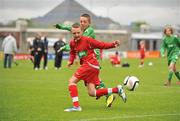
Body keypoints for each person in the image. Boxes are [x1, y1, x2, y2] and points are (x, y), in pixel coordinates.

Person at [55, 13, 115, 107]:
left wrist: (65, 47)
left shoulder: (88, 31)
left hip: (92, 57)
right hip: (85, 59)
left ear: (89, 23)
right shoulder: (80, 30)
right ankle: (109, 92)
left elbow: (78, 40)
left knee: (83, 80)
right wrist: (62, 27)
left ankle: (108, 94)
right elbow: (73, 30)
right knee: (92, 84)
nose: (82, 23)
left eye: (84, 22)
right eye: (81, 21)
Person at [64, 23, 126, 112]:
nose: (76, 35)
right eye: (74, 33)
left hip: (89, 64)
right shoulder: (72, 43)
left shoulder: (87, 40)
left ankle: (76, 106)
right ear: (72, 33)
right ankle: (117, 89)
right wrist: (71, 60)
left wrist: (113, 44)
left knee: (71, 81)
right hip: (92, 67)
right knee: (92, 93)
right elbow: (72, 52)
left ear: (82, 31)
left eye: (78, 33)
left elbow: (101, 44)